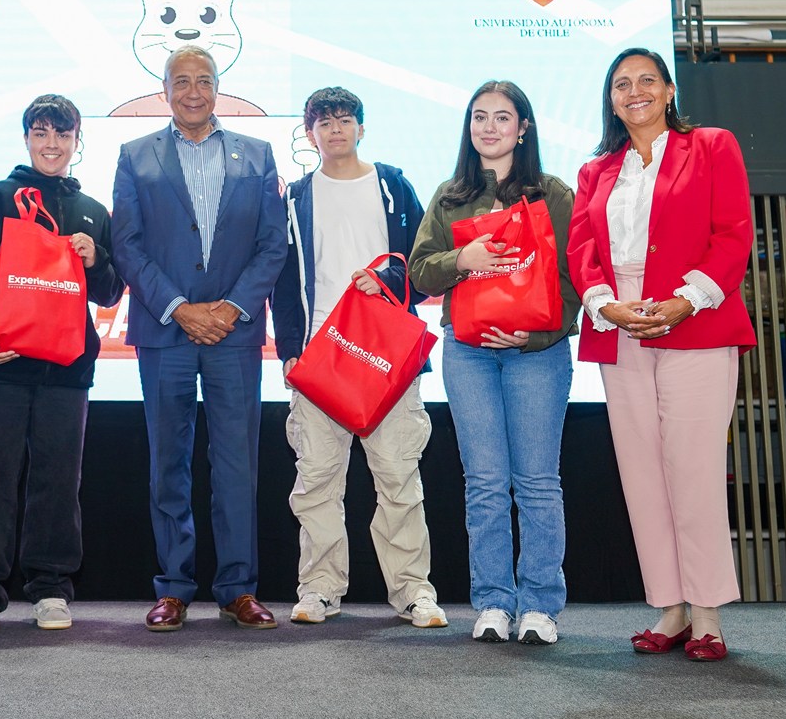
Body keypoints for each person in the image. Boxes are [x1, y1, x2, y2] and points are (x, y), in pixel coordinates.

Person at [567, 47, 755, 662]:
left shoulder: (712, 145)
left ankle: (707, 615)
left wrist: (683, 301)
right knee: (643, 473)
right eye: (622, 84)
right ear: (612, 99)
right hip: (618, 322)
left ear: (669, 90)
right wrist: (604, 303)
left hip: (693, 317)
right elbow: (582, 249)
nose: (635, 91)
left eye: (647, 80)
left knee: (693, 470)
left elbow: (733, 236)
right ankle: (670, 608)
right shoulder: (597, 170)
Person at [112, 44, 287, 631]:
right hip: (166, 333)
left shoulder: (257, 155)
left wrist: (232, 308)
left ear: (218, 87)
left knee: (237, 464)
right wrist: (180, 307)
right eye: (181, 81)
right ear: (164, 89)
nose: (193, 91)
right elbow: (127, 247)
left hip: (234, 335)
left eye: (204, 81)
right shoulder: (135, 156)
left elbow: (273, 245)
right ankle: (174, 587)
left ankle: (239, 588)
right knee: (169, 465)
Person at [409, 80, 579, 646]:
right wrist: (466, 257)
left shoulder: (553, 194)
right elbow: (420, 272)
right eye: (479, 117)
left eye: (502, 118)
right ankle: (491, 603)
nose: (489, 127)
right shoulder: (451, 195)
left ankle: (539, 606)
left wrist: (536, 333)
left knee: (536, 483)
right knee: (483, 484)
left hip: (539, 353)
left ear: (523, 127)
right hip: (468, 351)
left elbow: (577, 280)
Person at [0, 95, 124, 631]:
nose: (52, 144)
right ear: (27, 138)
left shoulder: (93, 209)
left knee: (58, 479)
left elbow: (112, 292)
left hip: (67, 370)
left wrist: (96, 259)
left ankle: (50, 587)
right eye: (42, 133)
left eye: (62, 135)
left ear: (77, 142)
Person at [271, 86, 446, 628]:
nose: (336, 130)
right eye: (323, 122)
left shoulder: (392, 185)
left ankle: (414, 591)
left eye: (345, 120)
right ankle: (319, 588)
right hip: (320, 358)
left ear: (361, 128)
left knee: (398, 476)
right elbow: (280, 281)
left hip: (386, 356)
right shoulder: (295, 197)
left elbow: (423, 262)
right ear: (310, 134)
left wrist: (387, 279)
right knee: (317, 480)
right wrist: (289, 354)